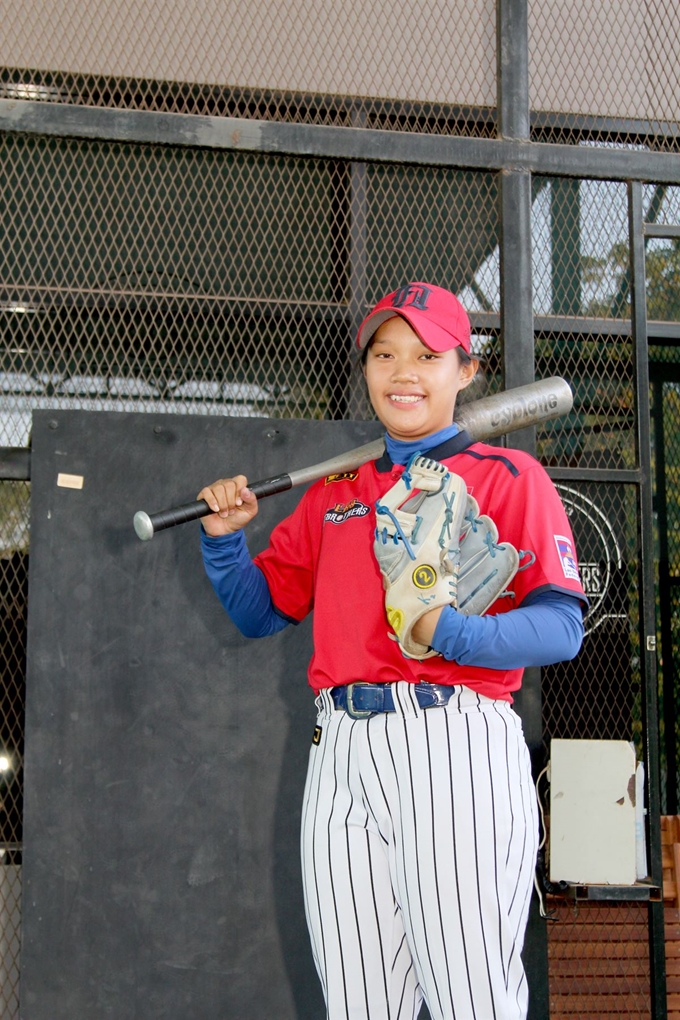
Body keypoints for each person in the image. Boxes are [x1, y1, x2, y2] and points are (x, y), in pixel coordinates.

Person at [199, 282, 586, 1020]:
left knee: (470, 996)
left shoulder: (509, 477)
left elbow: (560, 627)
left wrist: (451, 633)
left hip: (451, 735)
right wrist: (224, 543)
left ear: (465, 371)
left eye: (426, 354)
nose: (403, 372)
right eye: (385, 354)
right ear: (367, 369)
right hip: (340, 743)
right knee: (360, 1004)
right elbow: (260, 612)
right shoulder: (336, 489)